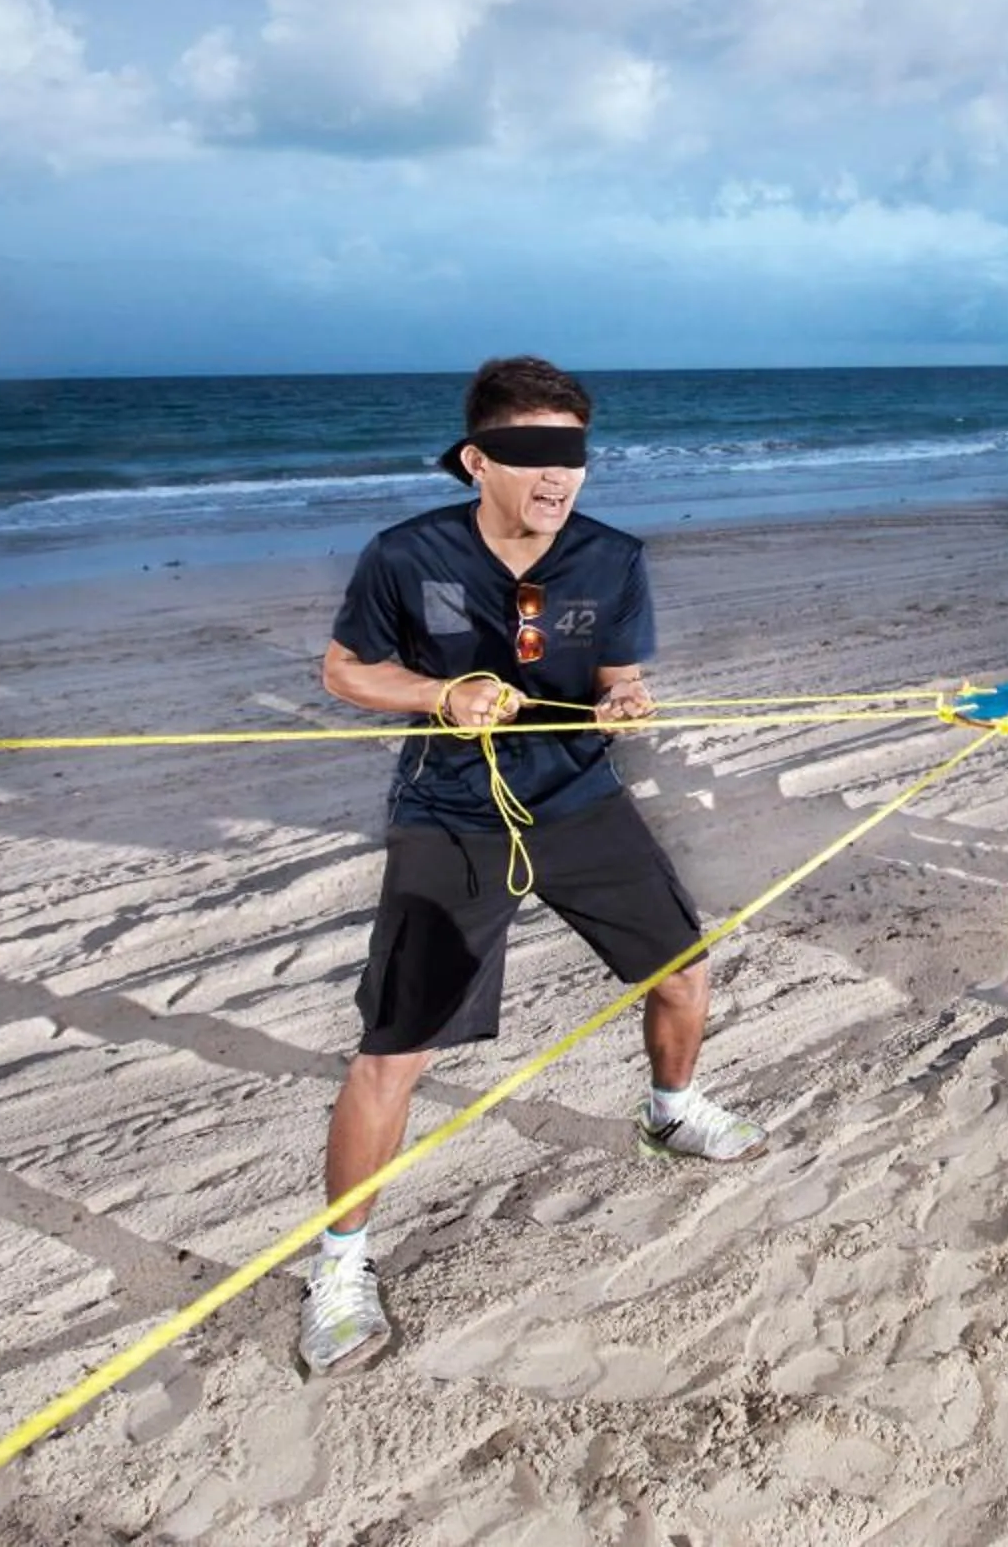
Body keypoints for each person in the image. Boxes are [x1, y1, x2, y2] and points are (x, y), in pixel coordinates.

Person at [298, 356, 763, 1377]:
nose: (559, 476)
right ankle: (338, 1265)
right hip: (451, 813)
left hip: (578, 798)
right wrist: (438, 696)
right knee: (396, 1052)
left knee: (684, 974)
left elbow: (616, 674)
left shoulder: (612, 556)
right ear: (478, 460)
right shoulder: (404, 553)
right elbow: (343, 672)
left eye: (574, 456)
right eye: (533, 454)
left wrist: (625, 699)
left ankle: (670, 1112)